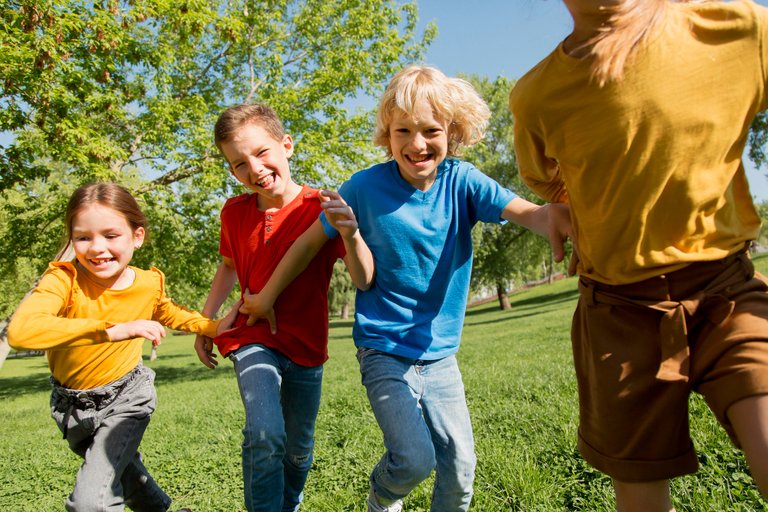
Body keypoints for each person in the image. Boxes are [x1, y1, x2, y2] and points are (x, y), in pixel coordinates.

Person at [238, 65, 574, 512]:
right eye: (403, 131)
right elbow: (305, 245)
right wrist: (266, 297)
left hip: (439, 354)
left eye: (431, 130)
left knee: (460, 470)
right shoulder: (363, 187)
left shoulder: (463, 181)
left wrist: (553, 215)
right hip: (383, 349)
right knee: (415, 460)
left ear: (451, 132)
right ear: (387, 134)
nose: (417, 144)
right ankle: (382, 496)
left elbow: (526, 212)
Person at [509, 1, 768, 510]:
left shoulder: (734, 29)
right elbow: (549, 179)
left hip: (726, 291)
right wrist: (575, 207)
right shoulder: (537, 95)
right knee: (640, 487)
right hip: (617, 314)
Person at [7, 182, 237, 512]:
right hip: (71, 408)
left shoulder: (147, 283)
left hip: (127, 398)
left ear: (137, 237)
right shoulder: (63, 280)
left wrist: (212, 327)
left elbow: (168, 311)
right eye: (83, 237)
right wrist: (112, 330)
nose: (96, 248)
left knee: (91, 503)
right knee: (128, 475)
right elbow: (22, 330)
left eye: (111, 235)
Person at [192, 103, 374, 512]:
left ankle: (289, 503)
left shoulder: (321, 207)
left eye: (261, 153)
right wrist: (207, 322)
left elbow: (363, 278)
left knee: (298, 448)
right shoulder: (233, 212)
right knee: (265, 433)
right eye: (239, 163)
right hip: (252, 335)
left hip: (307, 345)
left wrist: (352, 234)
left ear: (286, 145)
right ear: (231, 171)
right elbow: (227, 268)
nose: (253, 169)